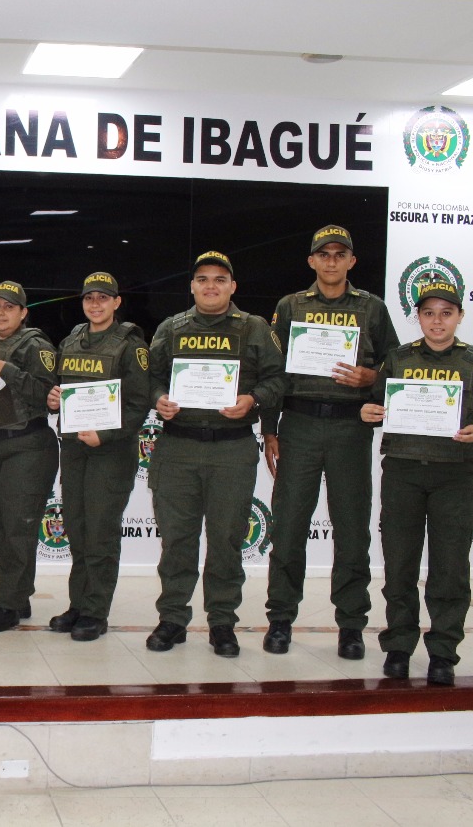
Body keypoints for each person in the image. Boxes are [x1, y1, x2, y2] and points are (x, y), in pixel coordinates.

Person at [361, 282, 473, 686]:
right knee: (399, 565)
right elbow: (376, 404)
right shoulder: (397, 359)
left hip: (454, 476)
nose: (437, 320)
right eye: (429, 313)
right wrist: (368, 410)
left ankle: (443, 651)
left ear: (459, 316)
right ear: (419, 318)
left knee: (449, 568)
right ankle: (398, 646)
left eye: (446, 312)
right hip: (403, 473)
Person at [261, 225, 399, 660]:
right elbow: (272, 371)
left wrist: (372, 377)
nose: (332, 260)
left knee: (353, 530)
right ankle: (280, 618)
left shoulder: (371, 308)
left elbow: (398, 367)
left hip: (349, 430)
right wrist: (269, 428)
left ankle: (351, 624)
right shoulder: (291, 305)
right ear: (312, 261)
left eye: (341, 254)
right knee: (287, 528)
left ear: (352, 261)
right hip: (299, 425)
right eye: (324, 254)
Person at [145, 251, 285, 657]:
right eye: (202, 279)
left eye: (219, 279)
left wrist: (253, 399)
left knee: (226, 540)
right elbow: (150, 376)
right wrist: (159, 399)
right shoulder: (172, 328)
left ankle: (222, 622)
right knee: (177, 540)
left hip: (232, 448)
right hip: (178, 446)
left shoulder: (255, 328)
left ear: (232, 287)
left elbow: (278, 380)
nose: (210, 286)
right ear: (192, 286)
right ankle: (172, 619)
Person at [45, 272, 150, 641]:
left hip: (110, 452)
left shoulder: (129, 345)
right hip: (74, 448)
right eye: (89, 298)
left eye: (103, 298)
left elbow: (139, 404)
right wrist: (54, 399)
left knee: (100, 532)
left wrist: (105, 434)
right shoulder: (72, 340)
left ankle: (95, 611)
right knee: (77, 528)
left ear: (116, 302)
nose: (95, 304)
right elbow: (61, 387)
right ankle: (78, 604)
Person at [0, 281, 59, 633]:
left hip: (26, 443)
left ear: (23, 313)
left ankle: (9, 602)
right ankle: (16, 594)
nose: (1, 313)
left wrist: (7, 370)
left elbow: (45, 391)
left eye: (9, 307)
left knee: (18, 528)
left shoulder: (36, 344)